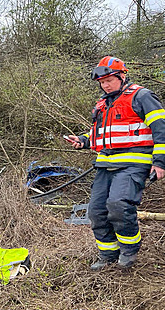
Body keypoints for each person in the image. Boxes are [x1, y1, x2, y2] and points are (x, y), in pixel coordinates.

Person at [66, 56, 165, 270]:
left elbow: (161, 130)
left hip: (133, 165)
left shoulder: (142, 96)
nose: (105, 85)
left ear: (122, 76)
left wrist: (160, 163)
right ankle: (108, 255)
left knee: (118, 206)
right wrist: (83, 141)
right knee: (96, 211)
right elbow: (101, 135)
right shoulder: (103, 104)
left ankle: (129, 252)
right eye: (102, 82)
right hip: (105, 166)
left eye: (109, 80)